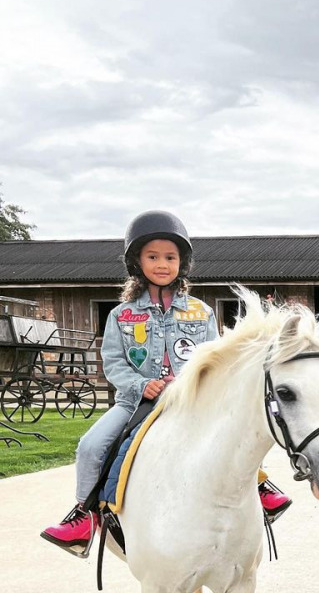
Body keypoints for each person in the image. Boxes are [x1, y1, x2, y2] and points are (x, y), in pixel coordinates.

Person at [40, 210, 291, 556]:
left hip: (191, 402)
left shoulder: (201, 313)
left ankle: (260, 488)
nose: (162, 264)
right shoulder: (121, 315)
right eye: (153, 256)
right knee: (90, 446)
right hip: (136, 403)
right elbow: (113, 362)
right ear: (137, 262)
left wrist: (192, 381)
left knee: (234, 435)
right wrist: (139, 385)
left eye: (170, 257)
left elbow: (213, 358)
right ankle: (84, 516)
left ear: (181, 263)